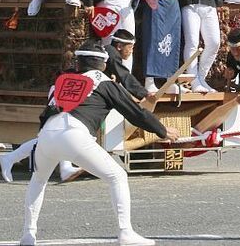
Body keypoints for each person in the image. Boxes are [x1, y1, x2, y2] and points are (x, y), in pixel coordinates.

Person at [19, 40, 179, 246]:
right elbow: (135, 113)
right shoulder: (103, 81)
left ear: (79, 62)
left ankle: (28, 235)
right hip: (74, 133)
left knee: (38, 181)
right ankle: (125, 232)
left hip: (47, 133)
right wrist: (162, 131)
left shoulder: (63, 78)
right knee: (117, 176)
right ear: (101, 63)